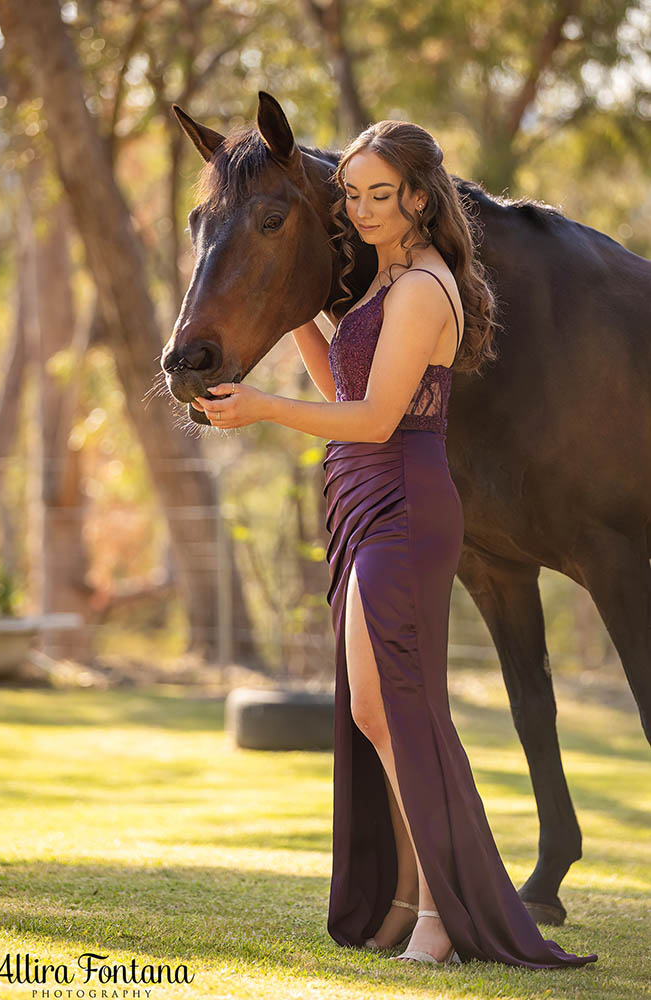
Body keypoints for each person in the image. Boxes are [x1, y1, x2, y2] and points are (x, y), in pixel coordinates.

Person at [193, 120, 597, 970]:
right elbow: (342, 384)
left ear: (419, 197)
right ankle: (412, 901)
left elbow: (374, 419)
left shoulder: (421, 290)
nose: (364, 210)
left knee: (406, 715)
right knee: (378, 712)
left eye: (382, 195)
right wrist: (297, 314)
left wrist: (260, 409)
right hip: (363, 497)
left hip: (405, 504)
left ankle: (445, 917)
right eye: (353, 195)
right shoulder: (382, 286)